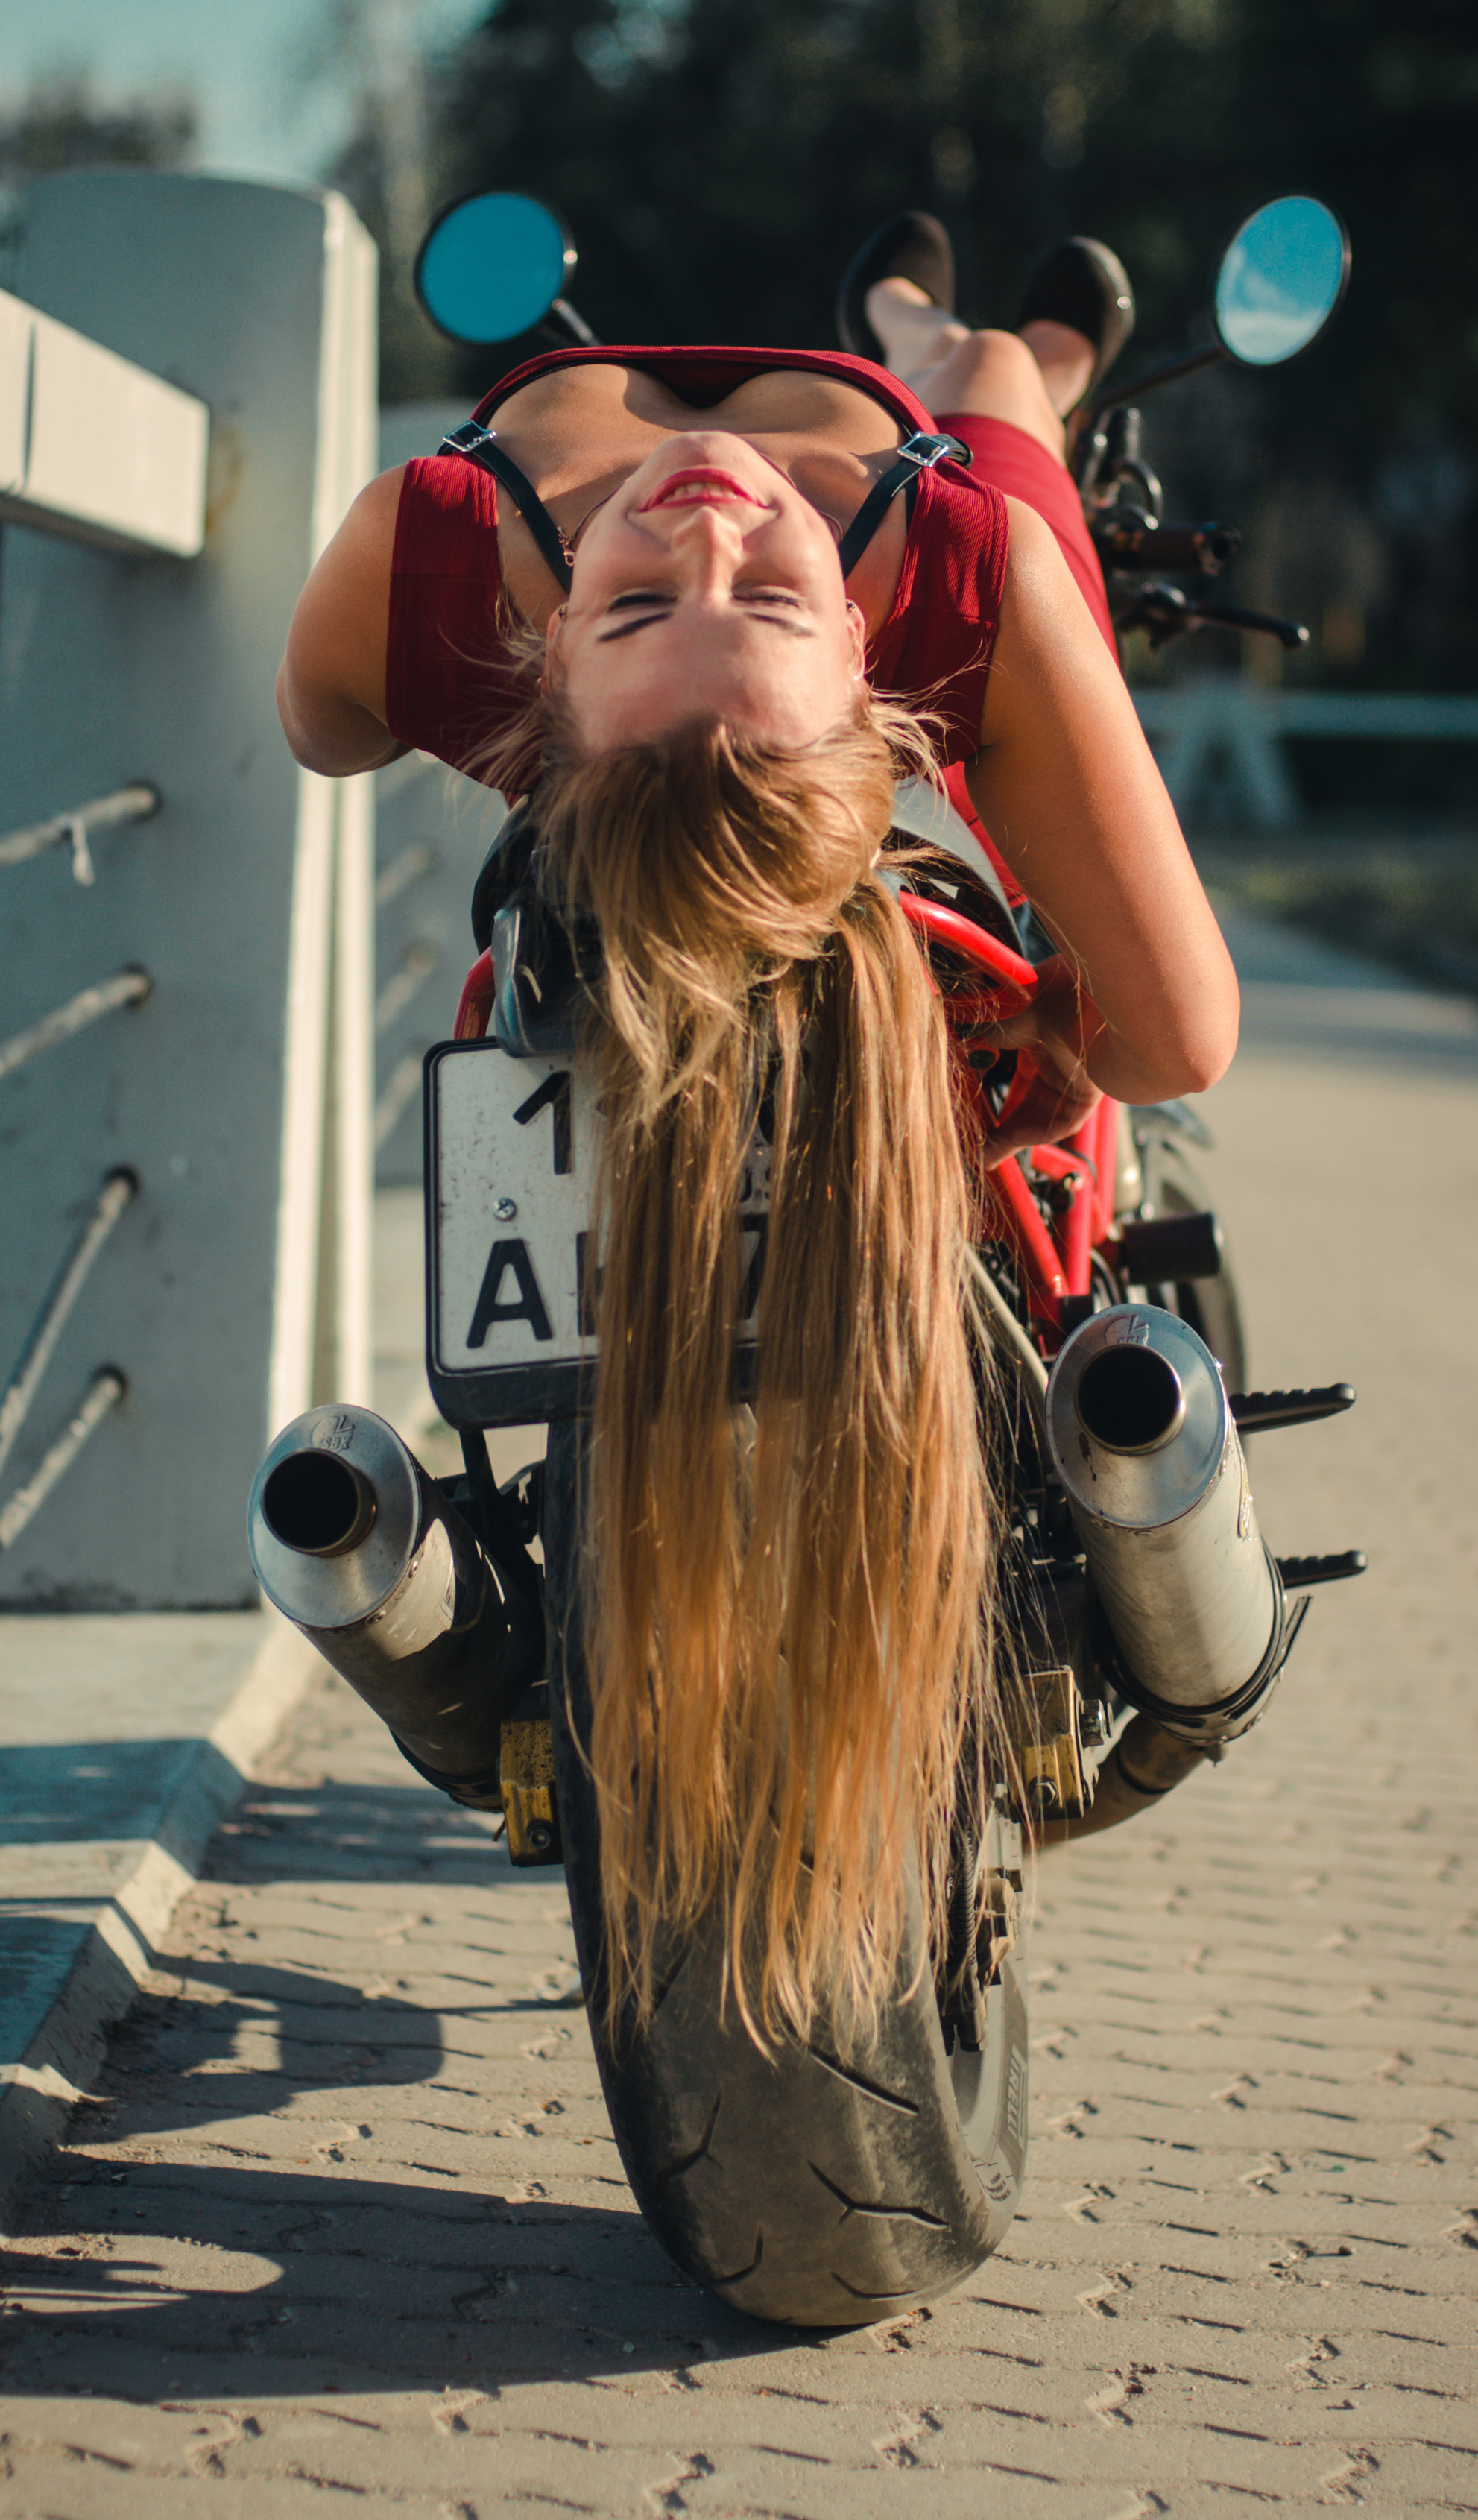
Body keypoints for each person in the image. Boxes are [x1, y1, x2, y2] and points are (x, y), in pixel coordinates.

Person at [275, 216, 1239, 2036]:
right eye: (711, 597)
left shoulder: (427, 554)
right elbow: (1175, 1032)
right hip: (932, 526)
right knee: (990, 388)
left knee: (956, 379)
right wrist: (1059, 1018)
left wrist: (450, 698)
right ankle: (951, 327)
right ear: (876, 685)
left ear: (541, 671)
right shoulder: (957, 565)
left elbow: (315, 729)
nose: (705, 520)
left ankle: (902, 299)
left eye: (657, 603)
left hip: (581, 706)